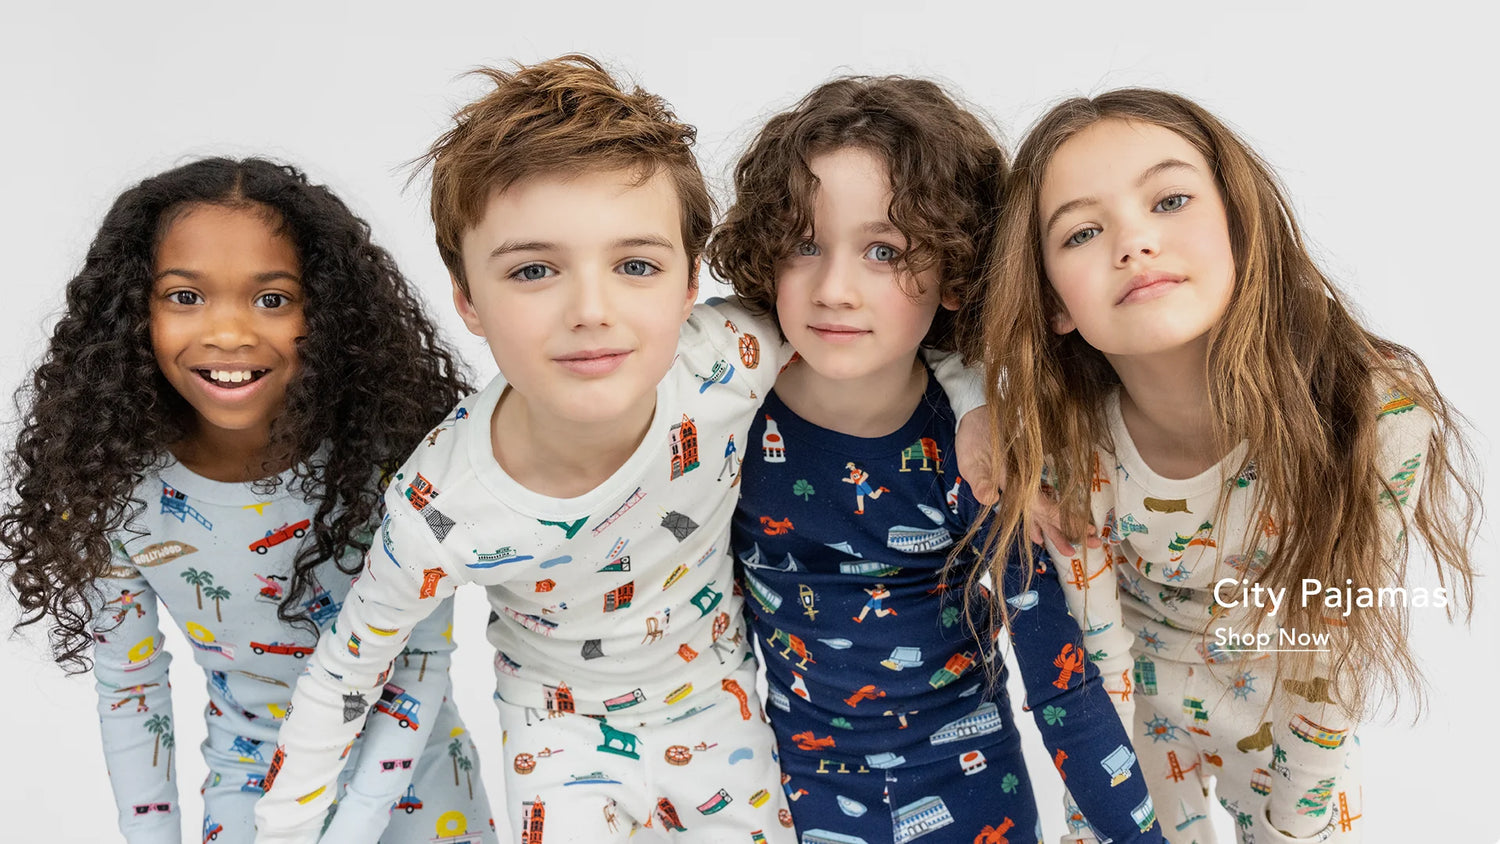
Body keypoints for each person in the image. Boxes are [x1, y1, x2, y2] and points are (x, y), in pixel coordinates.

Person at [252, 55, 990, 844]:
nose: (591, 310)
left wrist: (979, 404)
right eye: (534, 270)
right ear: (466, 298)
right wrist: (282, 830)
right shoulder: (440, 505)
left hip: (718, 709)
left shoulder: (725, 359)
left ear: (689, 283)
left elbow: (901, 339)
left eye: (635, 265)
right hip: (556, 734)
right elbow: (344, 674)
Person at [974, 89, 1479, 843]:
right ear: (1054, 304)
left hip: (1291, 705)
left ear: (1244, 228)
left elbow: (1330, 650)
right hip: (1136, 704)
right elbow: (1100, 659)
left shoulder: (1375, 416)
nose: (1133, 243)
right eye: (1082, 232)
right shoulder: (1061, 441)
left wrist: (1295, 825)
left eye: (1170, 200)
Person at [709, 76, 1164, 843]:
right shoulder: (727, 414)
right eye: (804, 244)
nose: (834, 289)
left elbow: (1065, 690)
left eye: (884, 251)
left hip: (976, 795)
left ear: (956, 273)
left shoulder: (977, 454)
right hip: (791, 796)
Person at [0, 158, 494, 843]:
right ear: (133, 312)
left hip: (419, 787)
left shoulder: (393, 460)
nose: (229, 333)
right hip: (250, 788)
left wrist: (350, 829)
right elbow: (132, 689)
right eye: (184, 296)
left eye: (272, 300)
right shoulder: (114, 491)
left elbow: (419, 663)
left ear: (328, 312)